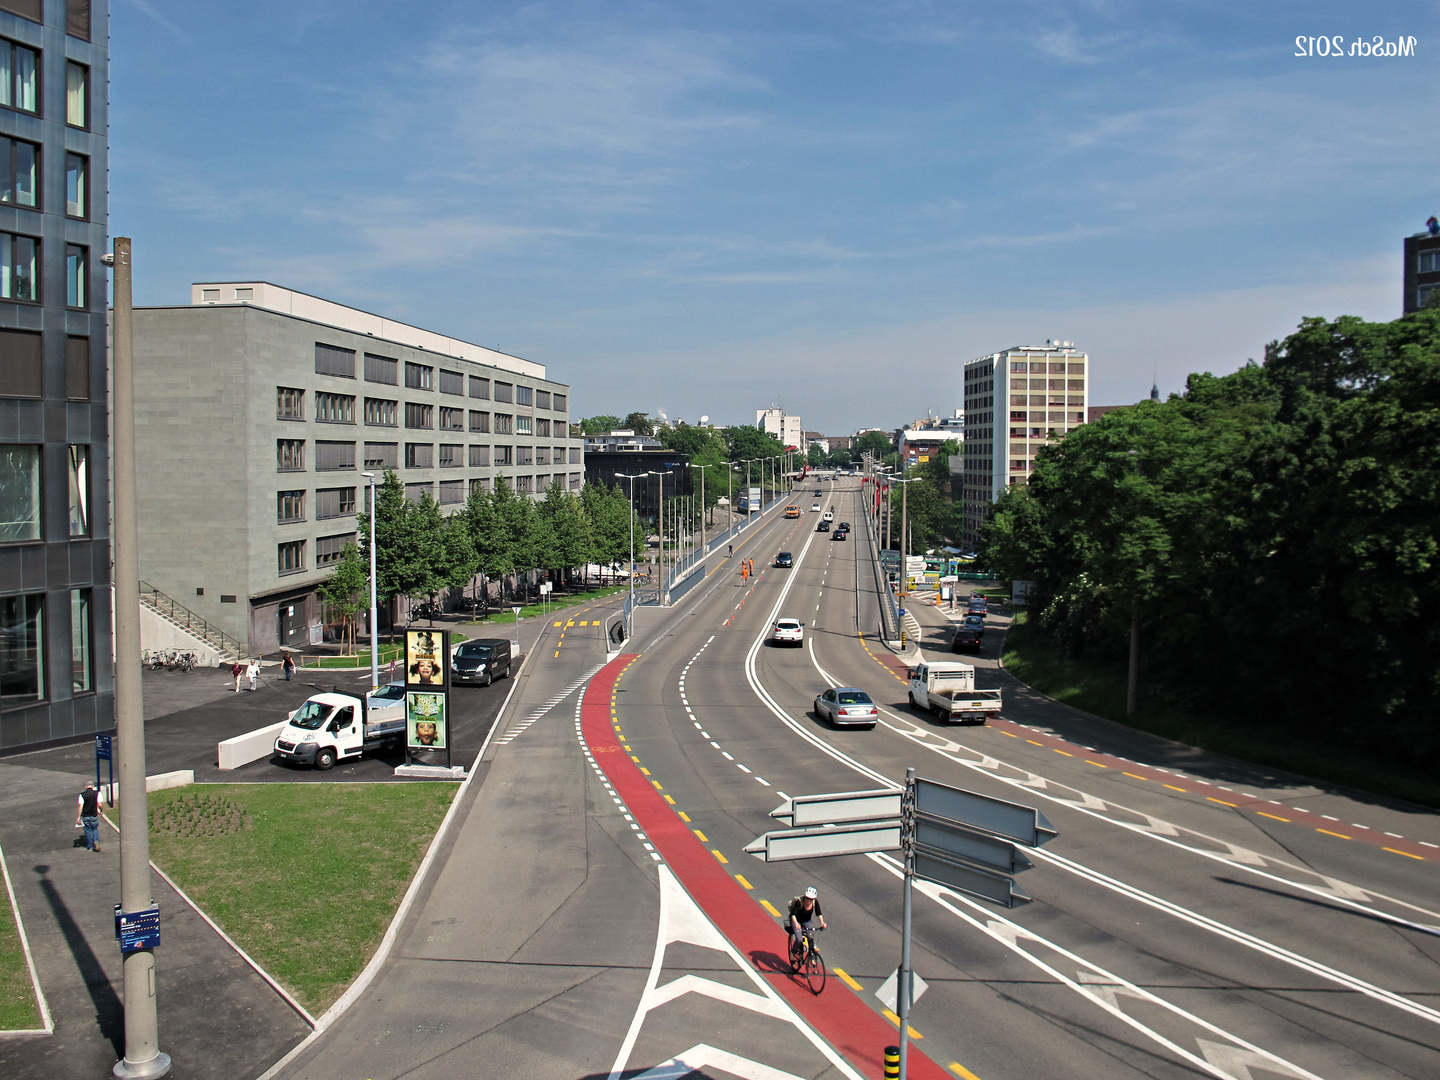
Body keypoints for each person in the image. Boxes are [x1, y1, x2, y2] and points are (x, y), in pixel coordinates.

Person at [785, 886, 826, 960]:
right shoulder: (800, 902)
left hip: (806, 921)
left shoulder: (814, 902)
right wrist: (796, 924)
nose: (808, 901)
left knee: (810, 938)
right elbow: (793, 915)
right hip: (796, 921)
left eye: (811, 899)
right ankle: (793, 952)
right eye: (807, 898)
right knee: (799, 939)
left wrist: (822, 922)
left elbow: (819, 913)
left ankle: (812, 958)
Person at [75, 781, 101, 852]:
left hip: (86, 815)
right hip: (94, 814)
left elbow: (80, 806)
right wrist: (100, 811)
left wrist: (78, 817)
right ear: (92, 786)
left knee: (87, 830)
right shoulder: (97, 793)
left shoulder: (82, 795)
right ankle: (96, 841)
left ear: (86, 786)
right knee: (95, 828)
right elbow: (99, 804)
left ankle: (90, 846)